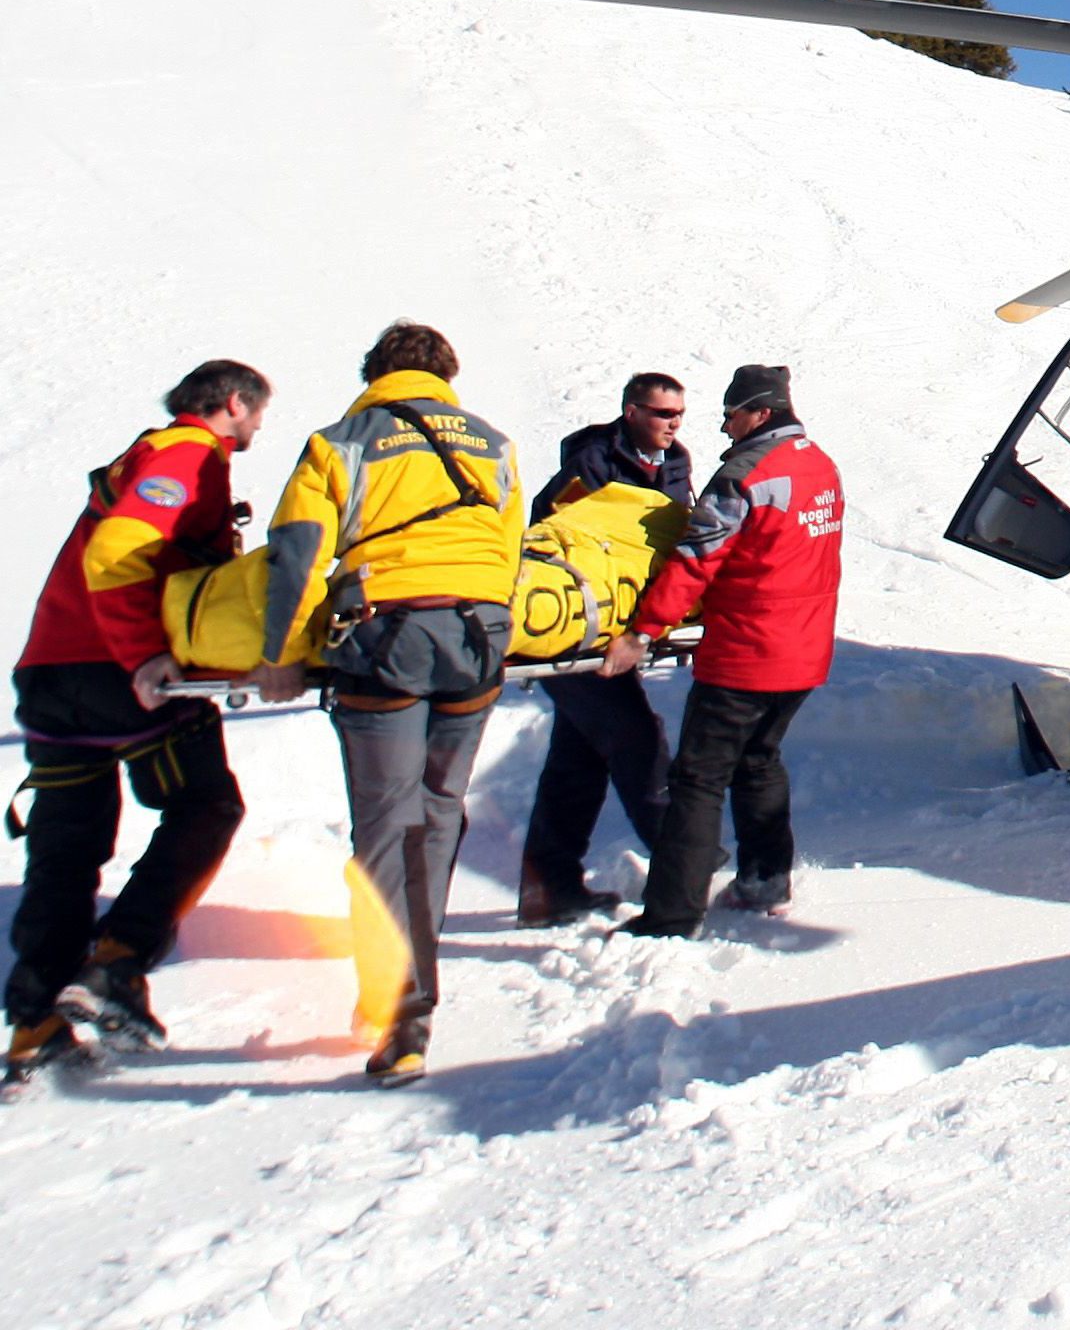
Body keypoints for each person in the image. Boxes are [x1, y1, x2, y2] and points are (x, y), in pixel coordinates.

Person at [251, 321, 523, 1085]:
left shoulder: (342, 440)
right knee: (438, 812)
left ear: (374, 372)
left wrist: (280, 655)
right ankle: (414, 978)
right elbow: (508, 548)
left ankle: (399, 1009)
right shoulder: (492, 443)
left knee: (384, 821)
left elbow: (299, 550)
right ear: (447, 375)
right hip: (478, 638)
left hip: (385, 639)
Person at [6, 362, 268, 1086]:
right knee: (206, 806)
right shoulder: (187, 453)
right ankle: (117, 963)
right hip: (122, 675)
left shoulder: (144, 454)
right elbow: (118, 551)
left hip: (51, 674)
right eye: (255, 417)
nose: (255, 431)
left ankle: (35, 1022)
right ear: (235, 403)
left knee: (65, 849)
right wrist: (145, 655)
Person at [607, 364, 843, 940]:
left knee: (697, 779)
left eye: (731, 415)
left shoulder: (744, 475)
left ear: (760, 412)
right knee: (760, 760)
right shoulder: (821, 466)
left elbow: (696, 560)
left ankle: (670, 915)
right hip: (805, 652)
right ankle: (765, 881)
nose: (725, 429)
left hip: (746, 653)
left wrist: (642, 631)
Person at [513, 373, 693, 927]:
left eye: (680, 414)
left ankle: (550, 885)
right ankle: (683, 868)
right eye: (664, 414)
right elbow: (552, 536)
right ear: (632, 411)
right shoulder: (590, 461)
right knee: (635, 740)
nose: (674, 425)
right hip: (575, 631)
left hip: (622, 630)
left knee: (581, 753)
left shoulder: (677, 463)